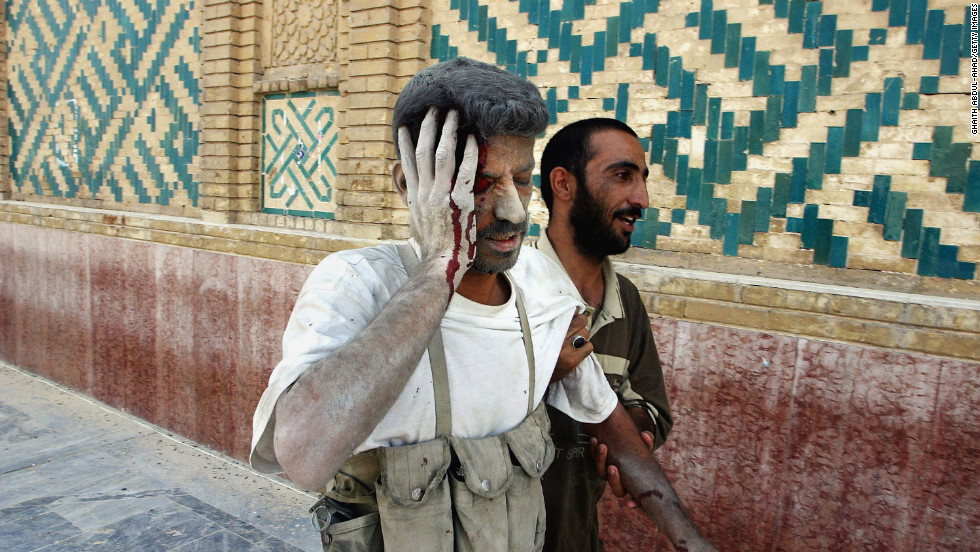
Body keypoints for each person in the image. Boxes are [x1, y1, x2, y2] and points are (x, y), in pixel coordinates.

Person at [250, 57, 714, 551]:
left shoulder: (541, 286)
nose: (513, 210)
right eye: (480, 183)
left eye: (522, 179)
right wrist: (437, 268)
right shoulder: (356, 283)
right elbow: (302, 456)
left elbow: (615, 432)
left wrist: (691, 542)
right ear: (410, 186)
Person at [536, 118, 712, 552]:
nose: (642, 199)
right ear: (564, 184)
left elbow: (651, 407)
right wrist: (542, 374)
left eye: (643, 180)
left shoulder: (626, 301)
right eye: (622, 176)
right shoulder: (507, 287)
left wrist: (631, 435)